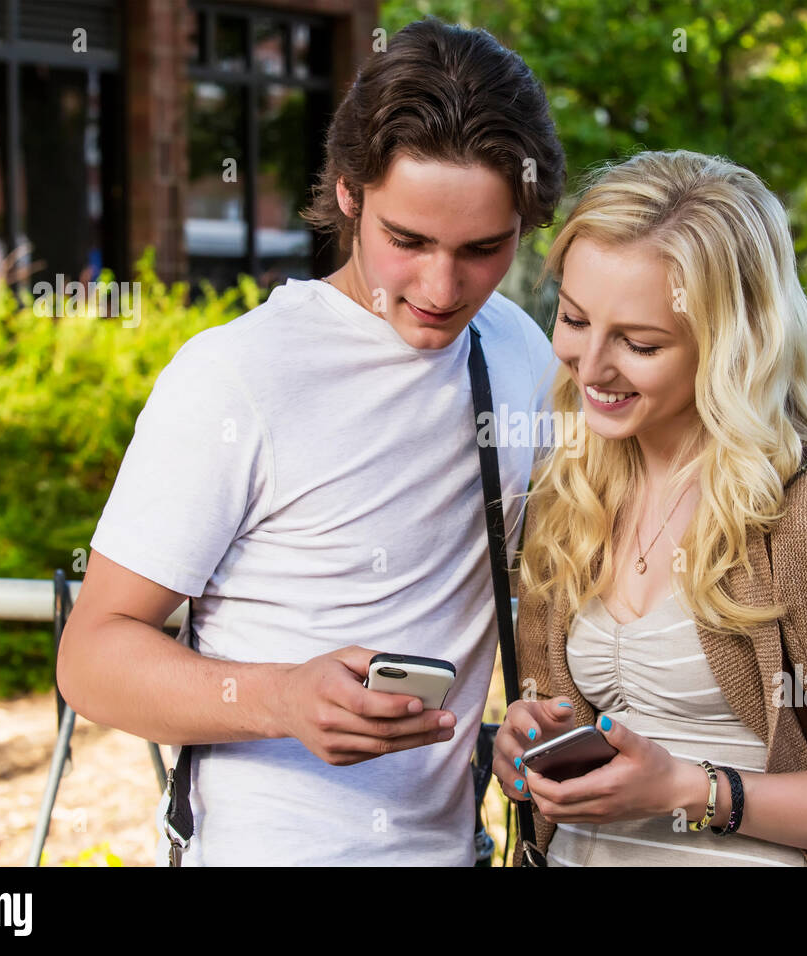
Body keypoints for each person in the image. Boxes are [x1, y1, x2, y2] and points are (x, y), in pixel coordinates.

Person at [57, 17, 565, 865]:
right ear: (347, 193)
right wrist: (282, 698)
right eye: (409, 242)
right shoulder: (235, 376)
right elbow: (91, 658)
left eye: (484, 249)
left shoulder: (519, 352)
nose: (443, 289)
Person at [494, 149, 807, 866]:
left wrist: (690, 791)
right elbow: (552, 736)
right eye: (575, 320)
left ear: (731, 345)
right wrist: (521, 745)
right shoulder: (570, 492)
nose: (591, 365)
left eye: (640, 343)